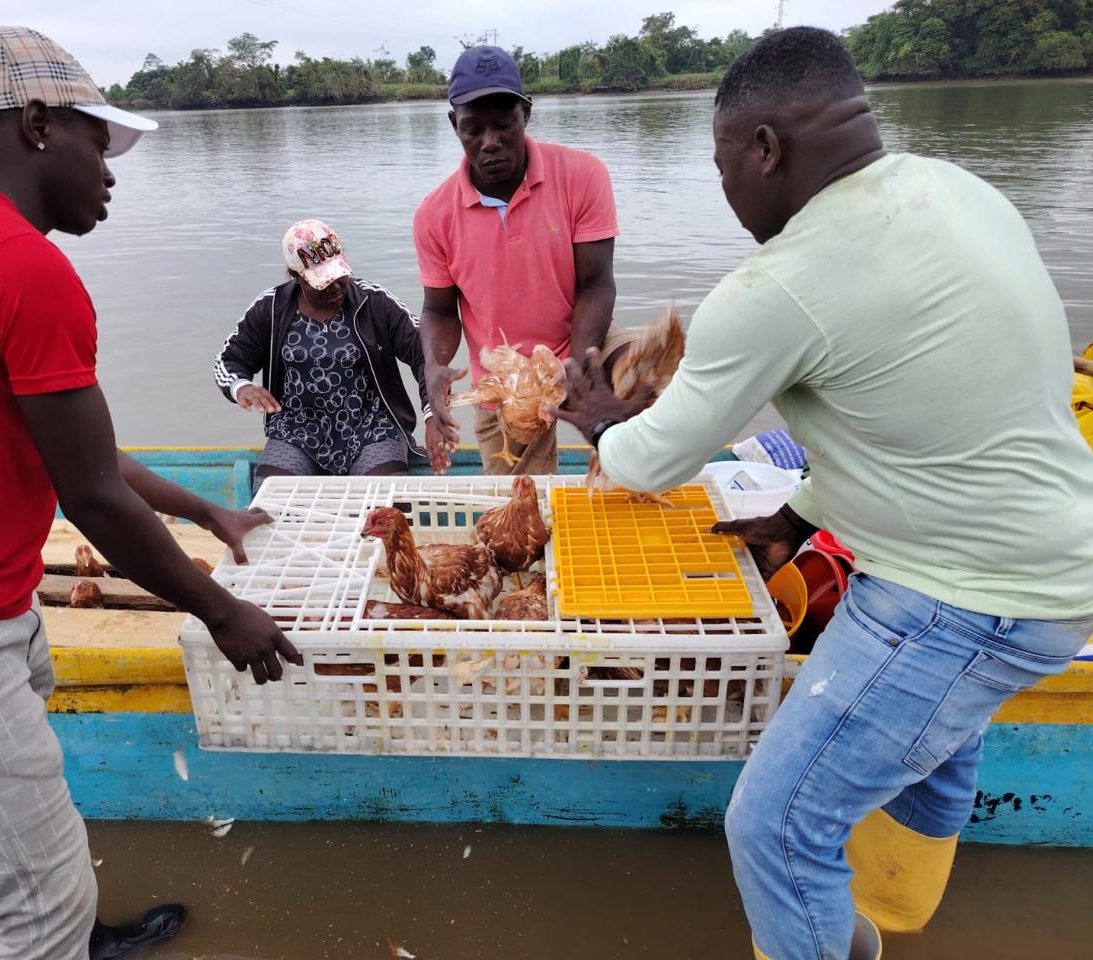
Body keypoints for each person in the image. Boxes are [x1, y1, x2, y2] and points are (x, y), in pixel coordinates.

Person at [555, 27, 1093, 960]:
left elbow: (649, 462)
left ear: (764, 149)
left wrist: (598, 417)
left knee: (773, 829)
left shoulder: (780, 282)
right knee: (933, 749)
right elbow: (931, 412)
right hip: (1055, 567)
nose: (728, 194)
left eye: (723, 168)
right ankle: (879, 923)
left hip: (962, 598)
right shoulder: (961, 192)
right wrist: (801, 512)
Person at [0, 26, 299, 960]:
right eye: (99, 144)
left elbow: (81, 452)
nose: (110, 174)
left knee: (29, 832)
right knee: (42, 903)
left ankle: (57, 918)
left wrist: (205, 510)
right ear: (37, 124)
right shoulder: (23, 267)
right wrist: (222, 612)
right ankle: (48, 928)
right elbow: (92, 496)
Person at [413, 45, 636, 476]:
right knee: (518, 501)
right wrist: (434, 367)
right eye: (473, 129)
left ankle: (637, 476)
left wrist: (575, 370)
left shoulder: (582, 175)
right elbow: (438, 309)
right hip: (504, 370)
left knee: (645, 369)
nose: (490, 142)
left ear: (526, 113)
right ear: (454, 124)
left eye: (503, 125)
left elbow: (595, 283)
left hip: (580, 337)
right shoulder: (434, 215)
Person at [213, 219, 439, 483]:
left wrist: (432, 413)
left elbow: (426, 354)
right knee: (272, 498)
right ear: (297, 276)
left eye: (339, 276)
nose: (336, 287)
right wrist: (241, 386)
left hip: (373, 428)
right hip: (295, 431)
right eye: (323, 282)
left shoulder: (375, 302)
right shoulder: (271, 308)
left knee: (384, 501)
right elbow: (227, 361)